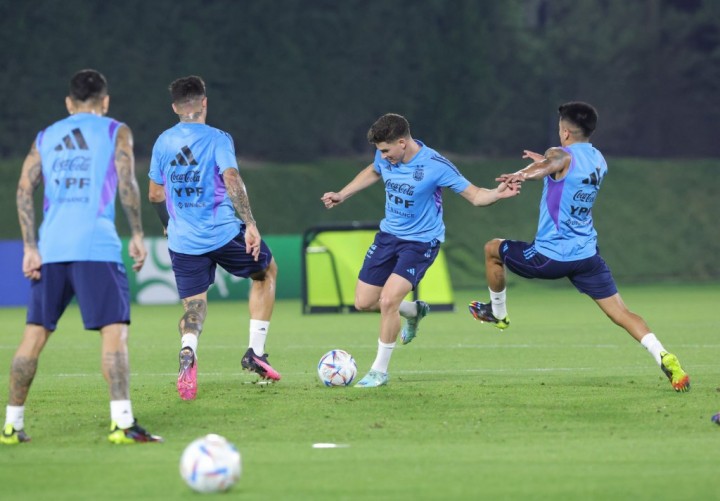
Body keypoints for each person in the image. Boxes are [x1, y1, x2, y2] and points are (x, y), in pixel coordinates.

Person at [468, 101, 690, 392]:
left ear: (566, 132)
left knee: (492, 248)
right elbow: (558, 168)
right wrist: (542, 165)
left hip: (550, 256)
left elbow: (552, 163)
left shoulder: (559, 154)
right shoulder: (599, 159)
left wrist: (525, 173)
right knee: (621, 313)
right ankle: (663, 355)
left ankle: (497, 312)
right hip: (586, 255)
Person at [0, 69, 162, 445]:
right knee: (114, 333)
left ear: (69, 103)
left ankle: (11, 424)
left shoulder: (46, 136)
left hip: (52, 247)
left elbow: (24, 189)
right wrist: (137, 233)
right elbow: (127, 184)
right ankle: (121, 423)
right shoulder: (115, 131)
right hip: (96, 247)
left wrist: (29, 246)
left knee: (33, 336)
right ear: (104, 102)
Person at [321, 113, 520, 387]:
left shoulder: (436, 165)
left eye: (386, 150)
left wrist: (497, 193)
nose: (383, 156)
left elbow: (475, 195)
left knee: (388, 301)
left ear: (402, 142)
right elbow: (373, 170)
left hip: (420, 243)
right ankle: (414, 311)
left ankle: (379, 371)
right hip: (388, 236)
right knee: (364, 303)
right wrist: (343, 194)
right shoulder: (384, 156)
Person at [148, 75, 280, 401]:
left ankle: (188, 349)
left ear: (175, 107)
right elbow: (231, 177)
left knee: (194, 308)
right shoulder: (218, 138)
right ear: (204, 102)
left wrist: (167, 223)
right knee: (267, 272)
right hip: (223, 233)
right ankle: (256, 352)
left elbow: (154, 194)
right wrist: (249, 222)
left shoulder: (163, 142)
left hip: (183, 242)